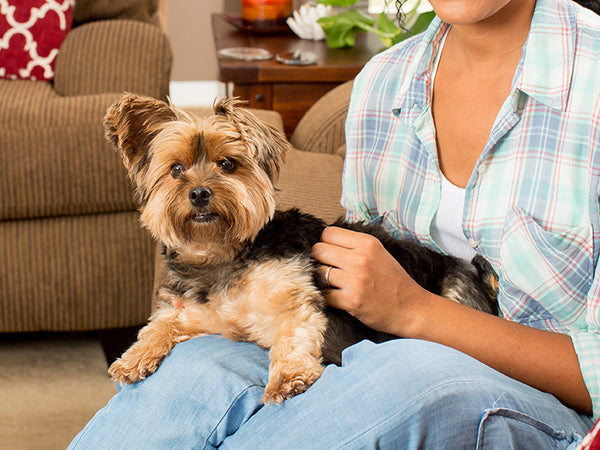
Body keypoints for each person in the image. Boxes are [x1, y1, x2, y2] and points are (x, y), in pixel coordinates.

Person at [70, 0, 600, 447]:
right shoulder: (385, 83)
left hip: (546, 406)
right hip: (370, 350)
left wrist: (416, 312)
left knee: (403, 377)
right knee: (195, 370)